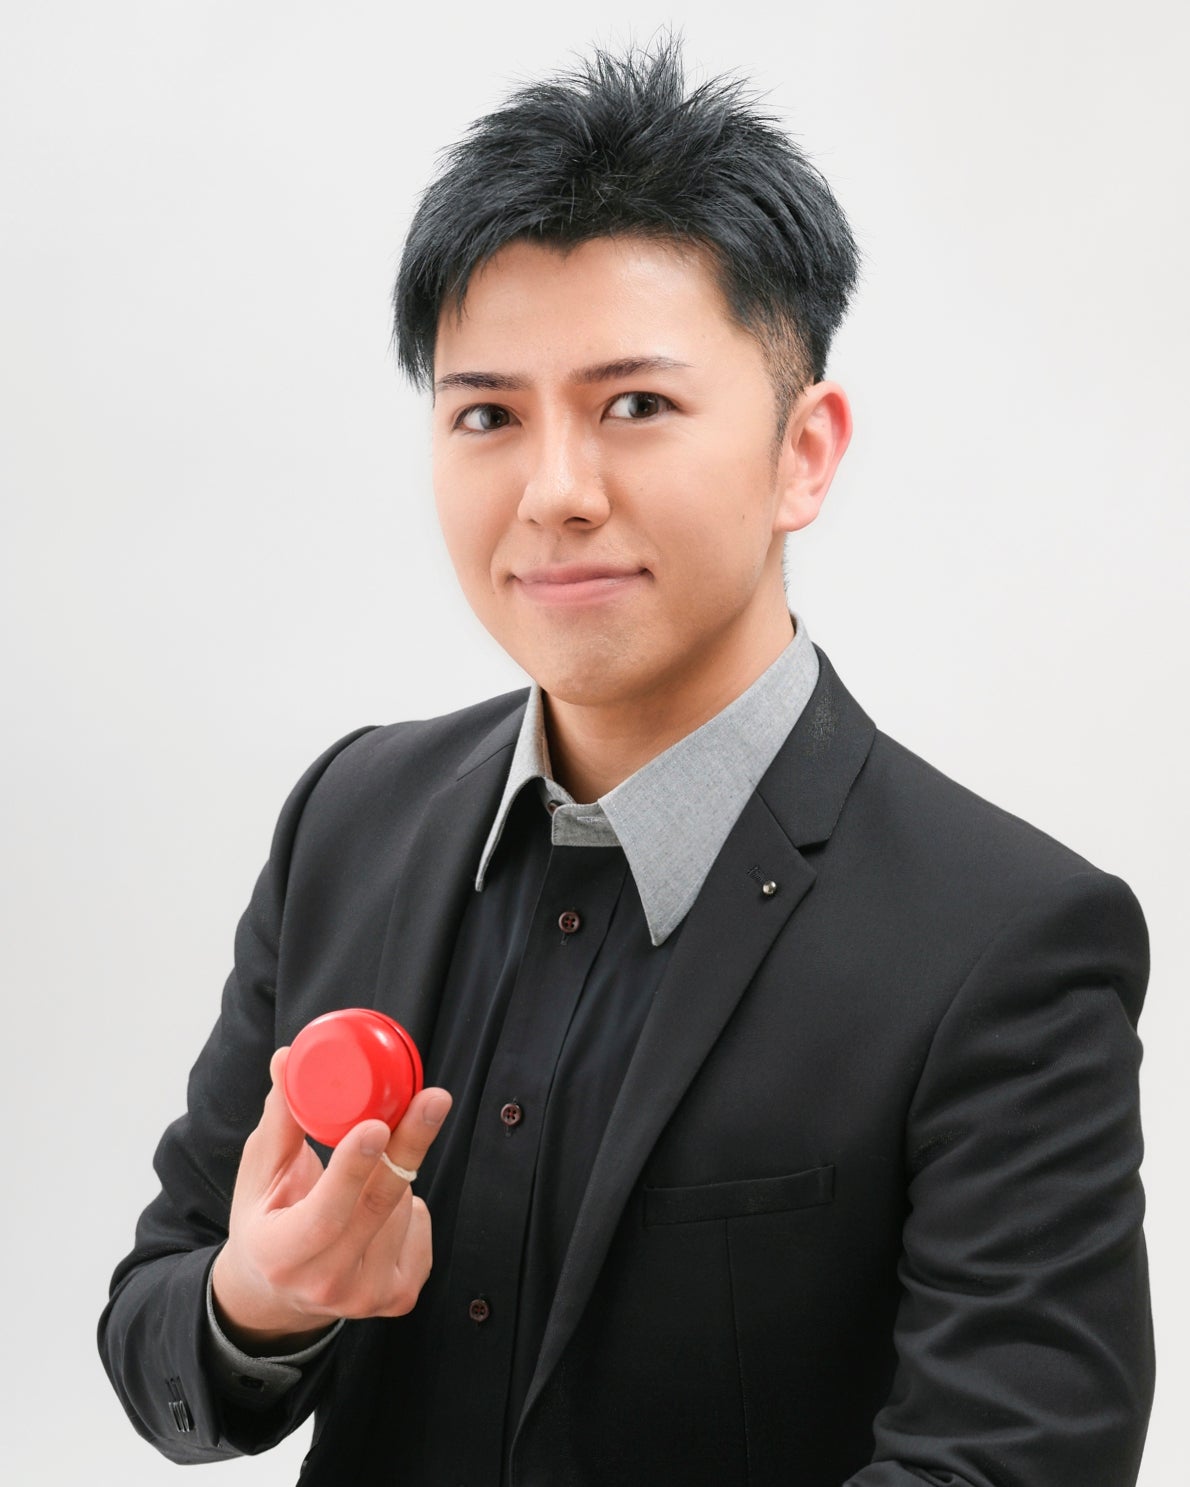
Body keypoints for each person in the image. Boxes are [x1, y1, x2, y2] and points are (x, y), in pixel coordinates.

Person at [98, 38, 1153, 1487]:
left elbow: (1007, 1461)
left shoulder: (1006, 939)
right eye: (486, 414)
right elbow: (157, 1324)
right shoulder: (350, 819)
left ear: (803, 452)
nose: (554, 492)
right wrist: (260, 1301)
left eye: (635, 406)